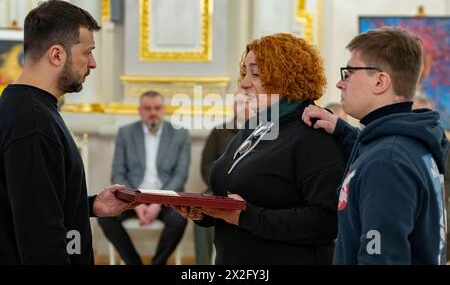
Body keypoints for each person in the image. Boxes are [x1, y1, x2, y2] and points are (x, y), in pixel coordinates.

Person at [174, 33, 345, 264]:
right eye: (244, 72)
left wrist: (246, 217)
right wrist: (206, 211)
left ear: (286, 77)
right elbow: (237, 192)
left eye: (255, 74)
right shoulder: (256, 126)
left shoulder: (313, 134)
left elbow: (326, 221)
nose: (243, 83)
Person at [302, 26, 450, 264]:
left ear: (380, 81)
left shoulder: (387, 161)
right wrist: (342, 130)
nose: (340, 83)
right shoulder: (409, 143)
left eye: (349, 72)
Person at [0, 0, 132, 265]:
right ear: (57, 55)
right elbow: (39, 236)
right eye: (87, 52)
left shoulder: (27, 107)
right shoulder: (32, 121)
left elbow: (33, 200)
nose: (93, 63)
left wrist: (92, 204)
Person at [98, 91, 190, 265]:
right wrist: (135, 202)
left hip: (166, 197)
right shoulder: (125, 133)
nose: (152, 112)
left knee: (179, 220)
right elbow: (118, 173)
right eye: (147, 108)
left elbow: (180, 174)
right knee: (105, 217)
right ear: (140, 111)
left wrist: (158, 202)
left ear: (163, 110)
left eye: (157, 108)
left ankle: (158, 263)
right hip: (132, 195)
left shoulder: (180, 134)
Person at [194, 115, 239, 265]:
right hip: (217, 188)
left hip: (249, 189)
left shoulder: (264, 130)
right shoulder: (219, 131)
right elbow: (206, 165)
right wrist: (221, 186)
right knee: (200, 210)